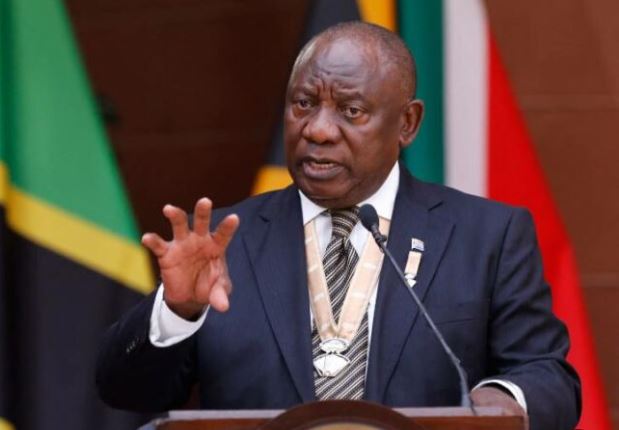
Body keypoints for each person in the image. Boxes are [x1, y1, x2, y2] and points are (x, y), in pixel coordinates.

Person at [96, 22, 581, 430]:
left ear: (407, 123)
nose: (318, 129)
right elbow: (125, 391)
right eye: (303, 104)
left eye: (351, 111)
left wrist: (504, 399)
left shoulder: (487, 235)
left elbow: (547, 375)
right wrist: (176, 311)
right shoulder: (224, 241)